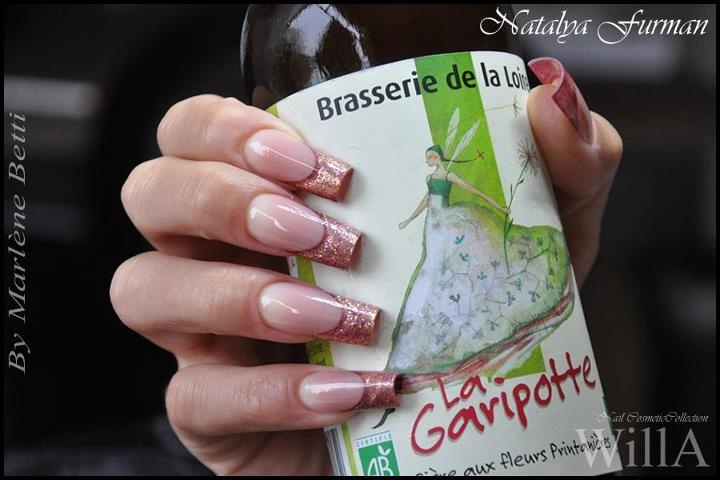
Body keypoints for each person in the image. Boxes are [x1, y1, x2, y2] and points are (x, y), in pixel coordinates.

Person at [110, 58, 622, 475]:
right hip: (439, 233)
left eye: (432, 159)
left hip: (471, 246)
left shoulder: (454, 172)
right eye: (428, 160)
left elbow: (463, 189)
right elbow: (425, 205)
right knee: (436, 288)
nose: (430, 164)